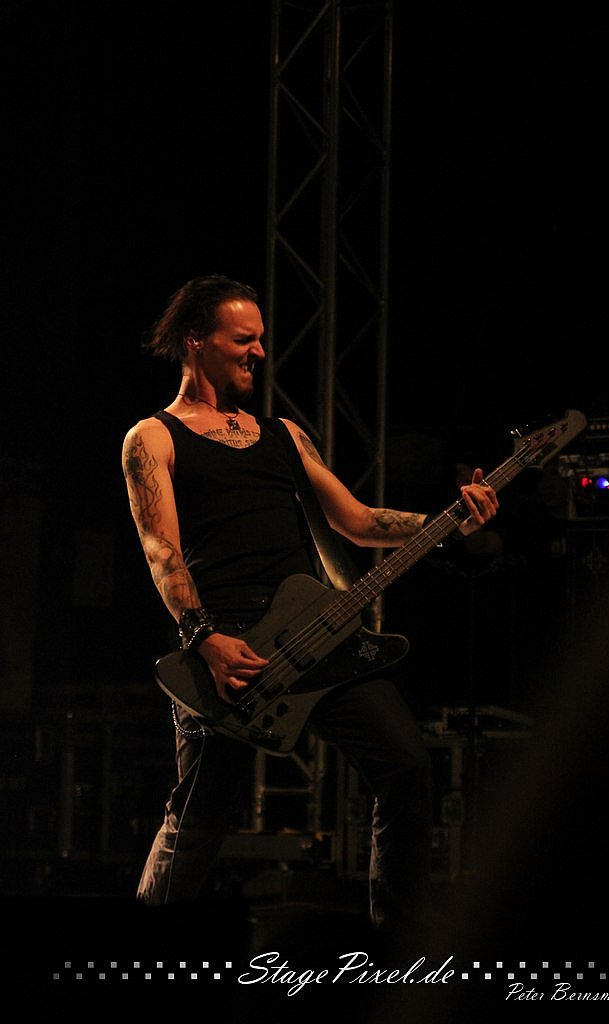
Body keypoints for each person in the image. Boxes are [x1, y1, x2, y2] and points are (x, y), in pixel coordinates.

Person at [121, 273, 499, 948]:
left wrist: (451, 521)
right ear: (195, 341)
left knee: (405, 764)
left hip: (313, 633)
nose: (259, 352)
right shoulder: (153, 437)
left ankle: (397, 946)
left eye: (262, 339)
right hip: (228, 645)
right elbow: (161, 549)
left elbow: (357, 521)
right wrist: (204, 638)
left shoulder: (283, 434)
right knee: (201, 814)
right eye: (244, 339)